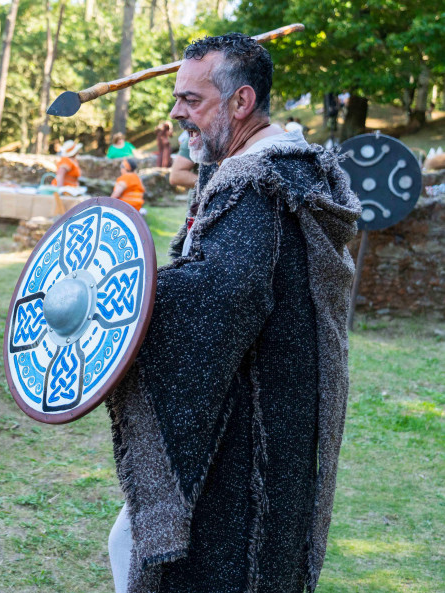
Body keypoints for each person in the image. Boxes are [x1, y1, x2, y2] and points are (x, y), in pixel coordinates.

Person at [105, 33, 361, 593]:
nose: (177, 114)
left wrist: (116, 297)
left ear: (241, 102)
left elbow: (218, 299)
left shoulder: (259, 186)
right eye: (177, 99)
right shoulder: (282, 169)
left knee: (213, 564)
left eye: (191, 101)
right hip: (274, 412)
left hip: (248, 429)